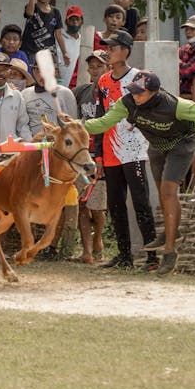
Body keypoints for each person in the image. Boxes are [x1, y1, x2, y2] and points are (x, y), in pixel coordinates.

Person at [82, 69, 195, 275]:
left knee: (169, 191)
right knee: (163, 194)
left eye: (140, 93)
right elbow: (102, 123)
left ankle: (170, 251)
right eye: (133, 91)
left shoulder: (174, 105)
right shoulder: (128, 104)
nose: (135, 96)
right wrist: (78, 125)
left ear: (154, 92)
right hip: (157, 147)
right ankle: (172, 230)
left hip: (181, 144)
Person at [93, 30, 156, 270]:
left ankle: (152, 257)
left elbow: (149, 109)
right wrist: (98, 154)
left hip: (134, 150)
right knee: (115, 204)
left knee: (141, 202)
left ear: (125, 51)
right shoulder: (102, 81)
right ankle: (124, 256)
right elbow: (100, 117)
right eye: (107, 48)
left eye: (112, 48)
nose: (108, 52)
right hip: (109, 151)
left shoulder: (139, 78)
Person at [73, 50, 109, 263]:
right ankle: (86, 250)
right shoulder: (82, 91)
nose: (95, 70)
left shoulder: (111, 93)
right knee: (81, 204)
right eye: (92, 67)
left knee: (97, 206)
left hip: (102, 155)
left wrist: (102, 157)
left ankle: (99, 241)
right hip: (82, 155)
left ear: (107, 68)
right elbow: (62, 97)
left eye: (99, 66)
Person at [20, 0, 69, 68]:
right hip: (30, 52)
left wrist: (64, 52)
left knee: (48, 81)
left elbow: (58, 35)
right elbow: (29, 13)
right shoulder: (31, 7)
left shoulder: (56, 12)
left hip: (48, 54)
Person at [22, 62, 77, 136]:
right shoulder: (25, 94)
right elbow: (22, 124)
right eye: (38, 71)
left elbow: (73, 124)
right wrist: (30, 141)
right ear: (33, 71)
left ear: (55, 72)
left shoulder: (65, 93)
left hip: (57, 144)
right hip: (32, 144)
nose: (42, 75)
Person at [58, 5, 83, 88]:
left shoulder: (84, 42)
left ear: (82, 21)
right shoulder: (59, 39)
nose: (74, 22)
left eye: (77, 19)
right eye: (71, 19)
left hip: (77, 86)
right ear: (66, 22)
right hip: (59, 84)